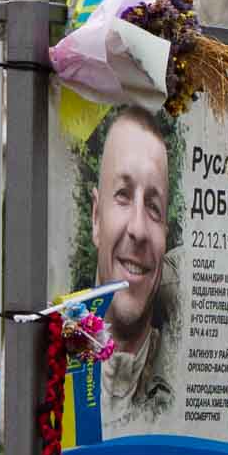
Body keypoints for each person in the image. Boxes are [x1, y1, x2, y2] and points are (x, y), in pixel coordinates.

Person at [87, 106, 177, 413]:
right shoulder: (38, 372)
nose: (138, 229)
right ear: (96, 218)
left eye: (153, 207)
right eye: (123, 195)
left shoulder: (182, 385)